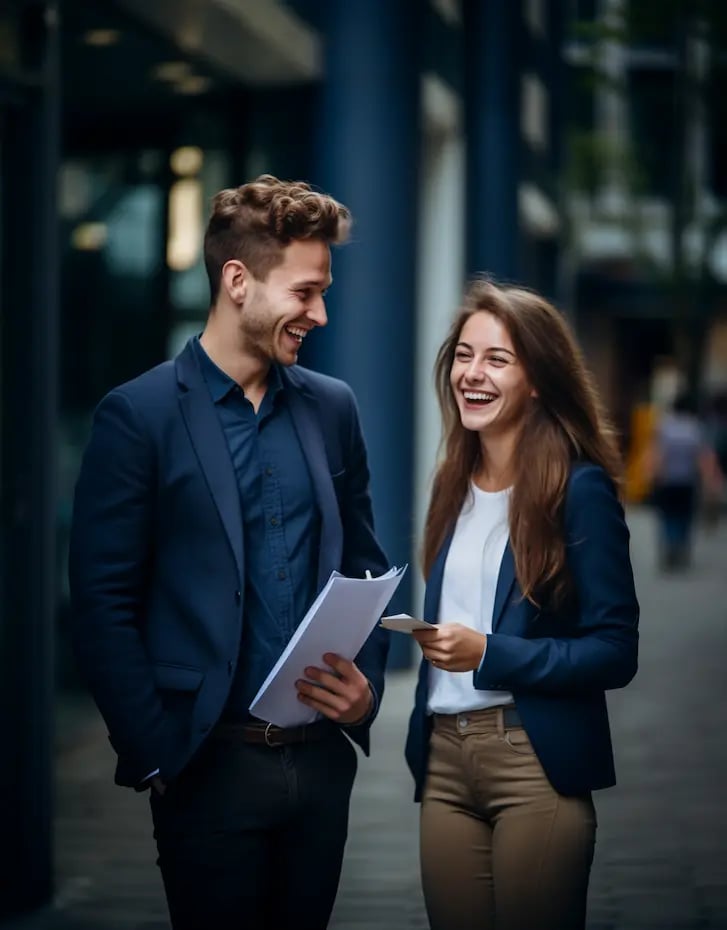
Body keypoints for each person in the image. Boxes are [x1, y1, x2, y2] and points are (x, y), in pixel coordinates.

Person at [69, 174, 390, 930]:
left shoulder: (331, 407)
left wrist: (365, 690)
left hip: (318, 765)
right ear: (237, 281)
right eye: (305, 292)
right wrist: (154, 755)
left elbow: (367, 565)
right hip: (204, 767)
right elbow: (101, 601)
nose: (318, 313)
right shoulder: (137, 417)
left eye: (323, 291)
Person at [404, 278, 639, 930]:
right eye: (462, 355)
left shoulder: (578, 488)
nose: (471, 374)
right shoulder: (451, 480)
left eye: (496, 360)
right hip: (444, 764)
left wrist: (490, 653)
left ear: (535, 380)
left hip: (533, 763)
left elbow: (616, 651)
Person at [648, 391, 723, 568]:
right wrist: (709, 480)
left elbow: (658, 455)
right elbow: (703, 458)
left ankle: (670, 546)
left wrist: (653, 474)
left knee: (668, 515)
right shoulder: (695, 428)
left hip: (667, 481)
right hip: (687, 482)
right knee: (685, 516)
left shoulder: (664, 427)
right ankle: (681, 548)